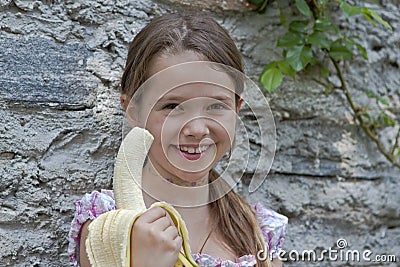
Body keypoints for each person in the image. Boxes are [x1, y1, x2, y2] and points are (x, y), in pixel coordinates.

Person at [68, 13, 287, 267]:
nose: (196, 128)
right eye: (172, 106)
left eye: (216, 106)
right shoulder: (108, 225)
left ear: (237, 110)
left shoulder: (258, 233)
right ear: (133, 111)